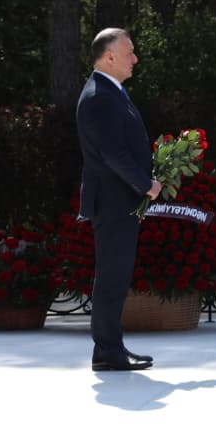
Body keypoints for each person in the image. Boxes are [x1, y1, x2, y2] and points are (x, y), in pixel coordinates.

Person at [76, 28, 162, 372]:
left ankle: (110, 348)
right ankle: (107, 351)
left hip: (119, 198)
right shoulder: (99, 96)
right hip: (113, 200)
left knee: (116, 273)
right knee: (111, 275)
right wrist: (146, 184)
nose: (135, 58)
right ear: (108, 56)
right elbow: (113, 152)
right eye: (129, 52)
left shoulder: (113, 93)